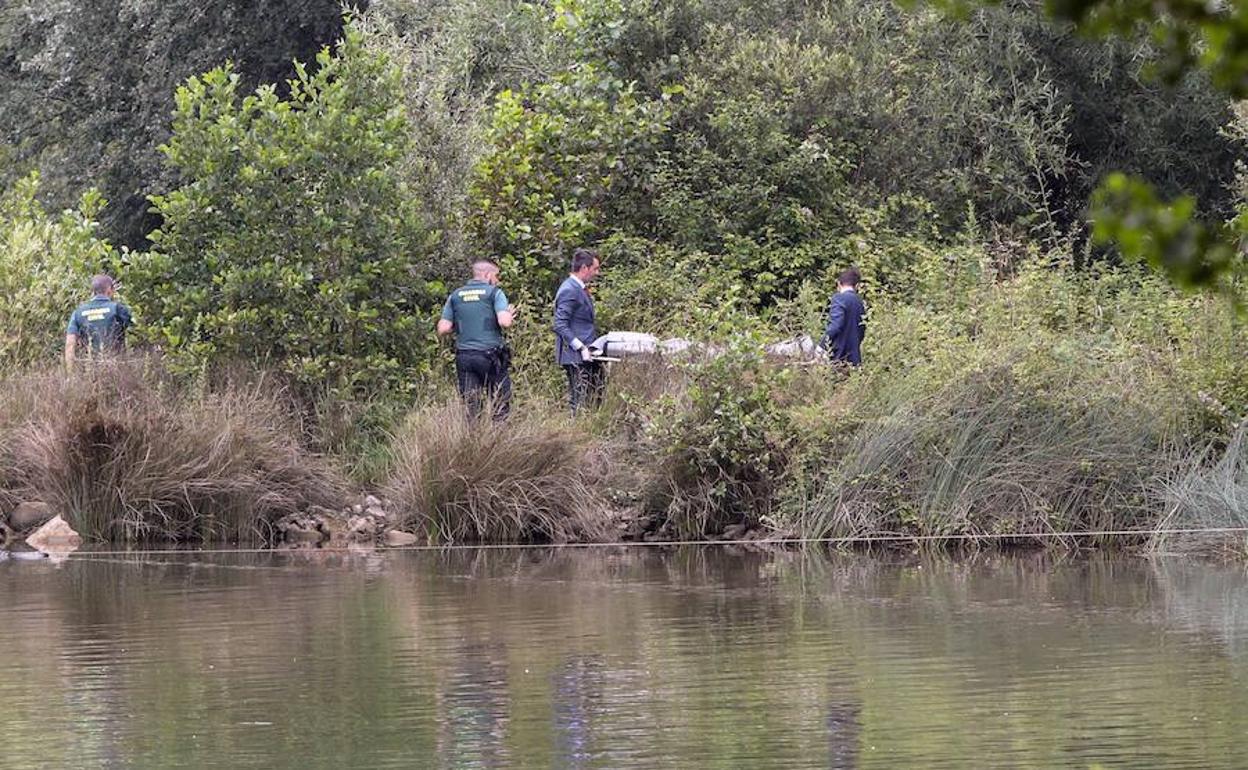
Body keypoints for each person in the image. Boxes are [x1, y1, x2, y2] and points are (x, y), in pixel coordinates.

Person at [437, 259, 517, 420]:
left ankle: (473, 435)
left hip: (465, 357)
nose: (497, 280)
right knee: (500, 403)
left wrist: (463, 325)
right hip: (491, 357)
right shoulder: (494, 293)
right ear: (487, 275)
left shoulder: (455, 295)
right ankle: (500, 435)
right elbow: (505, 322)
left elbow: (443, 328)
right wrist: (509, 314)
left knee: (472, 406)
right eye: (496, 276)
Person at [553, 248, 604, 413]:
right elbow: (560, 324)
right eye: (595, 269)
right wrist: (581, 347)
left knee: (593, 397)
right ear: (584, 268)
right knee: (580, 401)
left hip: (587, 355)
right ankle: (576, 427)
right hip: (575, 356)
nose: (597, 273)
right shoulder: (569, 289)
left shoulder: (579, 288)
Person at [65, 274, 133, 367]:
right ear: (110, 290)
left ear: (93, 291)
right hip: (116, 366)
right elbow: (135, 330)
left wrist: (70, 371)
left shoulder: (78, 312)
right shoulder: (118, 309)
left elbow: (70, 343)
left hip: (88, 367)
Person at [819, 268, 867, 365]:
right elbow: (862, 330)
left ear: (839, 284)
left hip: (838, 356)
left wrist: (822, 345)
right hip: (854, 358)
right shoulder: (860, 302)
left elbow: (835, 325)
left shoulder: (839, 298)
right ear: (857, 285)